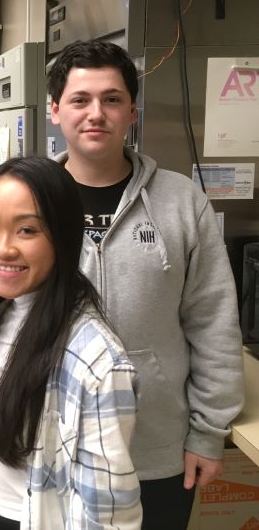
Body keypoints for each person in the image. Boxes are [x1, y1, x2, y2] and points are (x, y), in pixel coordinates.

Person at [47, 40, 244, 529]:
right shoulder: (27, 199)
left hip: (156, 448)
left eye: (112, 99)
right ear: (54, 110)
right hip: (49, 441)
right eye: (80, 99)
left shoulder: (181, 201)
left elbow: (214, 320)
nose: (97, 113)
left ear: (132, 111)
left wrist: (206, 432)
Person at [0, 157, 141, 529]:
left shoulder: (97, 362)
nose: (2, 248)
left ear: (63, 236)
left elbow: (110, 517)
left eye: (27, 231)